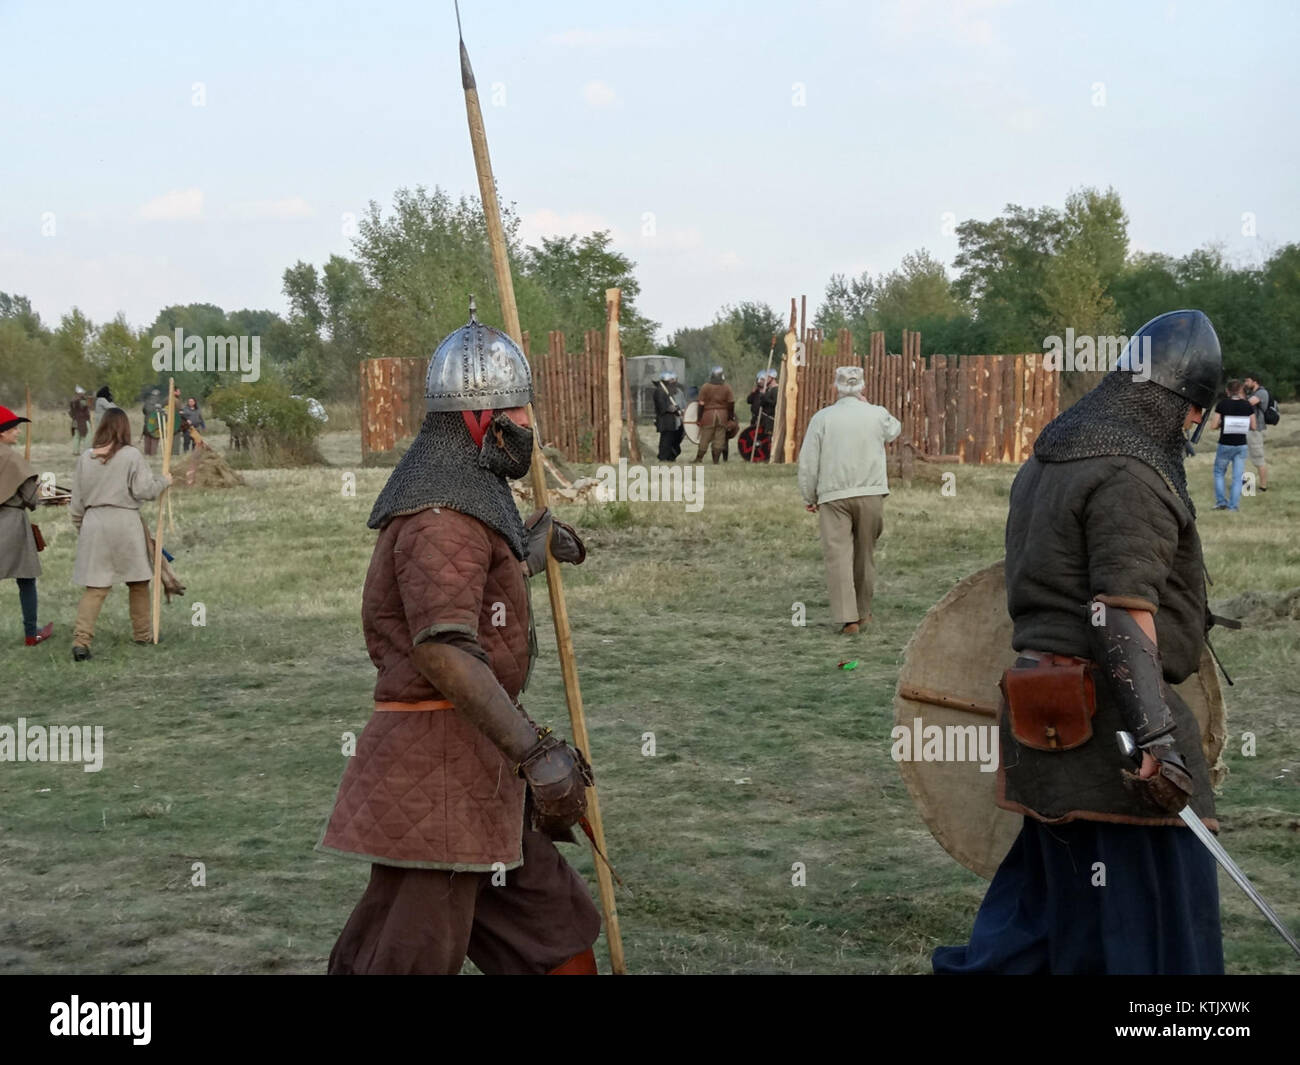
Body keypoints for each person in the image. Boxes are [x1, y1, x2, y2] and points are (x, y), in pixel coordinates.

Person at [933, 309, 1224, 975]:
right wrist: (1156, 743)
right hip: (1112, 733)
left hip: (1044, 717)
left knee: (1046, 914)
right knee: (1150, 927)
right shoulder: (1128, 470)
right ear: (1184, 405)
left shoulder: (1054, 452)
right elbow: (1121, 615)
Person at [319, 301, 601, 975]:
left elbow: (472, 581)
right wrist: (536, 751)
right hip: (437, 776)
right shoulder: (439, 514)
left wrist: (530, 548)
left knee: (558, 935)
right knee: (406, 960)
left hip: (481, 770)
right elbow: (442, 644)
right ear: (480, 419)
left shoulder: (464, 495)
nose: (531, 426)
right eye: (520, 410)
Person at [797, 366, 901, 635]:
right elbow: (895, 430)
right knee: (865, 553)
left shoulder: (822, 418)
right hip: (871, 492)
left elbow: (809, 461)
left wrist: (810, 495)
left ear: (836, 387)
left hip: (833, 496)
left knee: (838, 556)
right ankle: (864, 612)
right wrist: (869, 405)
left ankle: (848, 618)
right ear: (862, 387)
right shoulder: (877, 414)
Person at [69, 407, 172, 661]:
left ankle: (81, 642)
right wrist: (164, 480)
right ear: (124, 427)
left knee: (95, 587)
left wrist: (84, 528)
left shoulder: (85, 458)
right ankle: (143, 635)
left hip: (94, 523)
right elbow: (145, 490)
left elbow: (76, 503)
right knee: (137, 583)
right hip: (125, 522)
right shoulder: (131, 456)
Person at [0, 404, 52, 646]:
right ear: (2, 432)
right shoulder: (11, 457)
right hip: (11, 523)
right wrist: (32, 482)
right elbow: (32, 499)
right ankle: (32, 634)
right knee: (26, 579)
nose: (18, 432)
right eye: (14, 428)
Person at [1208, 379, 1255, 511]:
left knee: (1219, 473)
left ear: (1227, 391)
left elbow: (1213, 425)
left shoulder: (1222, 404)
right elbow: (1254, 425)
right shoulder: (1247, 405)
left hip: (1225, 443)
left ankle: (1221, 502)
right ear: (1240, 390)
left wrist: (1222, 424)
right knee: (1237, 476)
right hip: (1241, 444)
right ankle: (1233, 506)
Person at [693, 366, 735, 464]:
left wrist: (699, 418)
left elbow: (701, 404)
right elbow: (731, 403)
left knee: (705, 438)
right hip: (722, 415)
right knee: (719, 438)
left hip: (708, 415)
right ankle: (715, 461)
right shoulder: (727, 387)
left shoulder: (705, 387)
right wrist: (730, 417)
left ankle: (699, 458)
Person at [1242, 374, 1271, 492]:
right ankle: (1247, 486)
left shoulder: (1261, 393)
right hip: (1247, 429)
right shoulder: (1252, 393)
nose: (1245, 383)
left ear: (1255, 381)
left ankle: (1263, 487)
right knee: (1244, 458)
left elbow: (1247, 404)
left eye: (1247, 380)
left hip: (1255, 430)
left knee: (1258, 458)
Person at [652, 371, 685, 461]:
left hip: (670, 420)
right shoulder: (660, 391)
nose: (672, 382)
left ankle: (669, 457)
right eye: (670, 380)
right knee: (665, 440)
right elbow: (662, 407)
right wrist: (673, 408)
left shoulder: (666, 390)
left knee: (670, 440)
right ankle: (663, 457)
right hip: (665, 420)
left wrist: (676, 408)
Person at [69, 387, 92, 455]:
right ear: (80, 393)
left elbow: (70, 412)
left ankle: (75, 451)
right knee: (88, 435)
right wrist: (89, 400)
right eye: (82, 393)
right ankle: (87, 451)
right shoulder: (81, 400)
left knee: (76, 436)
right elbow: (87, 405)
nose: (83, 394)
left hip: (75, 421)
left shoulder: (72, 400)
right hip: (83, 421)